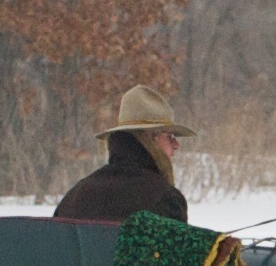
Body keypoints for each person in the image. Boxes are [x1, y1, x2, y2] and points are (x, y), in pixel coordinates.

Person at [54, 84, 193, 223]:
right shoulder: (165, 200)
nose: (176, 145)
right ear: (151, 137)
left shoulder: (75, 197)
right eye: (169, 136)